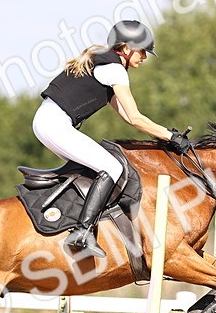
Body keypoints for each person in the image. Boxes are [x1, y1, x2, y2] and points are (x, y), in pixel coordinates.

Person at [34, 19, 190, 259]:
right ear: (126, 48)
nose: (145, 58)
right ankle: (82, 232)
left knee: (92, 169)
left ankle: (66, 216)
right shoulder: (114, 69)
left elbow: (128, 117)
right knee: (112, 167)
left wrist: (165, 134)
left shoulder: (107, 65)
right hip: (55, 124)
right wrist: (171, 136)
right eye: (142, 52)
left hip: (48, 122)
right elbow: (137, 118)